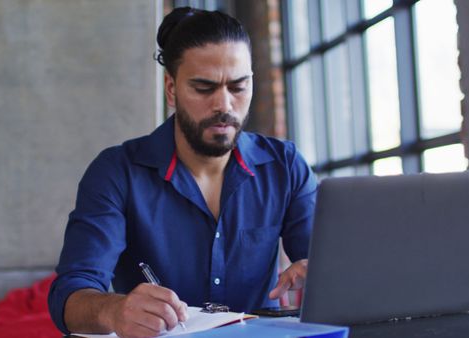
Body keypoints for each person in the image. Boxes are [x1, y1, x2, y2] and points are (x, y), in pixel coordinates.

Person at [48, 7, 317, 338]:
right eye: (204, 88)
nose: (224, 105)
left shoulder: (285, 166)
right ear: (172, 89)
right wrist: (114, 310)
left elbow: (321, 264)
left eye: (238, 86)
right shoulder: (117, 173)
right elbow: (70, 294)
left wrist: (322, 272)